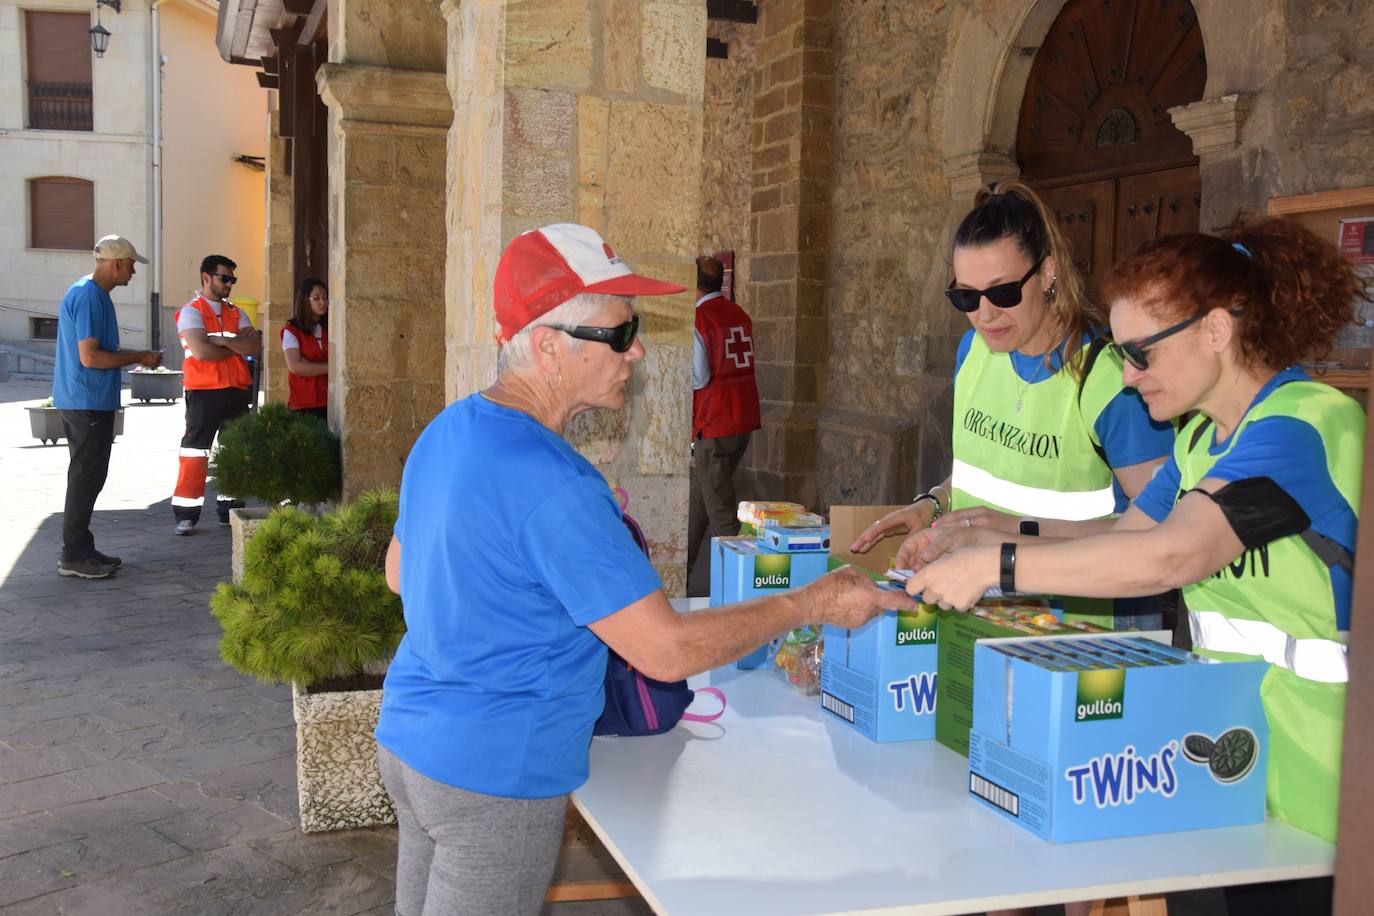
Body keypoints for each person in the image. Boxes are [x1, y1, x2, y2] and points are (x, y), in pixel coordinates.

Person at [375, 223, 913, 916]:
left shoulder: (448, 429)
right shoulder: (558, 485)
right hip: (494, 776)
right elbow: (665, 651)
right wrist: (806, 603)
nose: (636, 352)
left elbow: (399, 571)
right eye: (619, 333)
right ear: (548, 347)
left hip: (411, 741)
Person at [905, 218, 1360, 909]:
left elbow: (1173, 554)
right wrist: (990, 534)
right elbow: (1125, 532)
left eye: (1140, 352)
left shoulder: (1304, 425)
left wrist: (996, 566)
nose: (1126, 375)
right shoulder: (1203, 438)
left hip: (1322, 795)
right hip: (1227, 773)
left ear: (1215, 329)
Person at [851, 180, 1174, 629]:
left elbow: (1161, 533)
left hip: (1078, 630)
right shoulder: (974, 351)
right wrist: (933, 506)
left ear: (1047, 273)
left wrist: (1008, 535)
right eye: (966, 296)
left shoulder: (1111, 380)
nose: (985, 315)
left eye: (1003, 293)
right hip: (978, 611)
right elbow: (992, 471)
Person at [51, 235, 162, 579]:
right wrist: (140, 356)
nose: (132, 271)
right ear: (116, 263)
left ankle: (81, 548)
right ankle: (73, 554)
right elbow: (91, 356)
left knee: (89, 477)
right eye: (130, 265)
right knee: (85, 478)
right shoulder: (88, 296)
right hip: (86, 402)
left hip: (88, 401)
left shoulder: (92, 295)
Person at [171, 254, 262, 535]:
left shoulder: (236, 312)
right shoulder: (191, 311)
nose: (229, 284)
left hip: (236, 392)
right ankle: (186, 514)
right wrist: (235, 344)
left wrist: (221, 340)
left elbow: (255, 347)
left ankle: (230, 508)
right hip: (204, 394)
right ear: (206, 277)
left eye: (232, 279)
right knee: (196, 452)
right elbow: (201, 351)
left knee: (235, 452)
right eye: (225, 278)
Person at [687, 255, 761, 589]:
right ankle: (678, 569)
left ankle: (738, 588)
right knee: (703, 499)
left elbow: (698, 377)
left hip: (714, 421)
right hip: (742, 419)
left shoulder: (700, 318)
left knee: (721, 515)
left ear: (695, 283)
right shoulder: (738, 313)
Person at [282, 277, 329, 420]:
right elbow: (296, 366)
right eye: (316, 298)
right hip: (304, 402)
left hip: (330, 399)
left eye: (325, 298)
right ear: (305, 301)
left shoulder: (330, 328)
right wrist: (331, 367)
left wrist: (310, 365)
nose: (323, 303)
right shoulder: (291, 331)